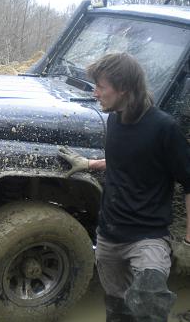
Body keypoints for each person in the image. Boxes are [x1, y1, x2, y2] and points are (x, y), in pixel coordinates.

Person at [58, 53, 190, 322]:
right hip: (109, 235)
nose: (95, 93)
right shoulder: (114, 120)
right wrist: (89, 163)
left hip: (148, 238)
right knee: (117, 309)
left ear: (124, 89)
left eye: (100, 87)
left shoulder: (164, 128)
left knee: (149, 305)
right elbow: (128, 159)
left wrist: (189, 240)